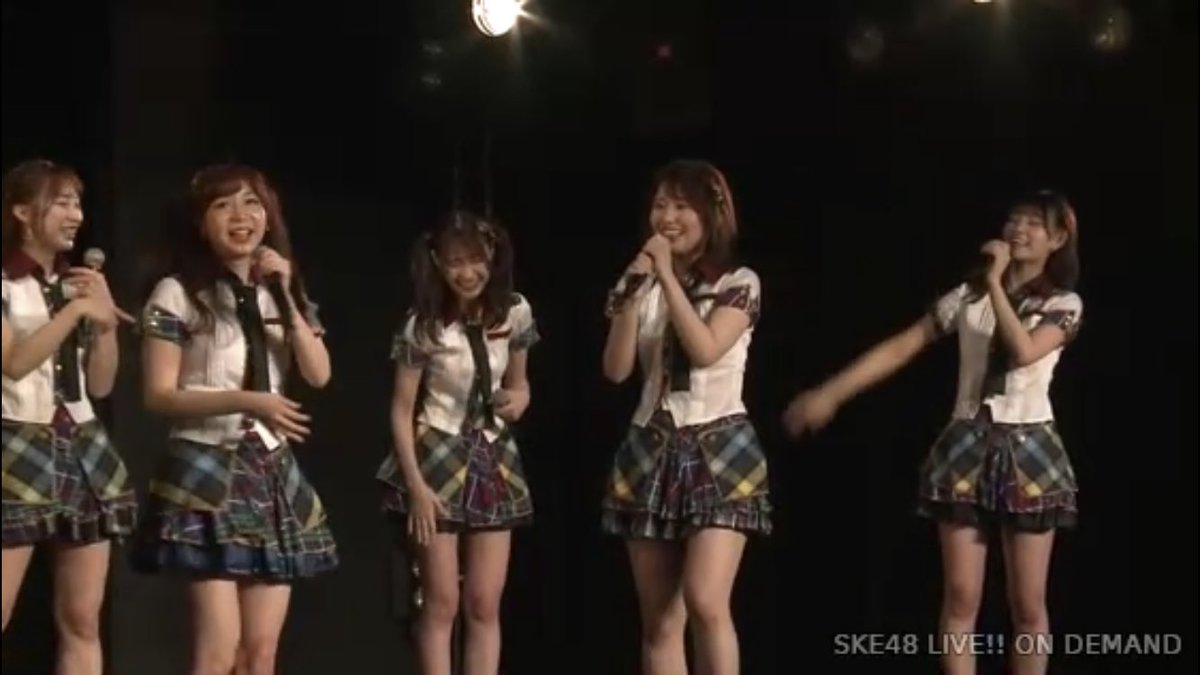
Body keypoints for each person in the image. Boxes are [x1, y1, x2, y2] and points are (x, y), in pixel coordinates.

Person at [783, 190, 1084, 675]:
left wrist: (995, 283)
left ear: (1058, 238)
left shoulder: (1064, 303)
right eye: (1014, 219)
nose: (1018, 229)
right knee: (961, 596)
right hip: (966, 443)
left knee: (1028, 603)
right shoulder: (967, 297)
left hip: (1030, 447)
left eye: (1033, 223)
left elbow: (1025, 350)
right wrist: (831, 393)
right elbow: (903, 345)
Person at [132, 163, 337, 675]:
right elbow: (159, 395)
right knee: (218, 652)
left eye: (251, 203)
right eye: (222, 205)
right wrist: (248, 401)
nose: (240, 216)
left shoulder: (281, 292)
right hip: (206, 465)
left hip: (269, 468)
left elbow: (318, 373)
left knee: (260, 653)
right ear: (200, 223)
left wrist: (287, 294)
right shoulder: (177, 292)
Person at [601, 159, 771, 675]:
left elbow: (705, 349)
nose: (668, 218)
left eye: (682, 206)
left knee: (704, 600)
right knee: (659, 623)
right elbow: (616, 370)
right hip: (649, 448)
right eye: (660, 205)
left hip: (720, 449)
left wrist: (668, 281)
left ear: (710, 214)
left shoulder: (739, 282)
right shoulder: (643, 283)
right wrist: (632, 295)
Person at [376, 211, 540, 675]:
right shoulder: (424, 325)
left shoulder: (514, 312)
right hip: (438, 452)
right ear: (437, 263)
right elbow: (401, 409)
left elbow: (520, 384)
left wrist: (519, 399)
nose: (467, 273)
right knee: (442, 600)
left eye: (475, 260)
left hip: (493, 455)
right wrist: (416, 488)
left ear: (492, 256)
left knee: (484, 602)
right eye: (454, 262)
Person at [1, 158, 137, 675]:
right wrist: (75, 312)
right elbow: (14, 364)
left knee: (82, 620)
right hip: (17, 444)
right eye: (61, 202)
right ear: (22, 211)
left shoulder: (78, 285)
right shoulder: (6, 285)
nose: (75, 214)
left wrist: (104, 326)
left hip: (81, 446)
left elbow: (101, 385)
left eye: (77, 203)